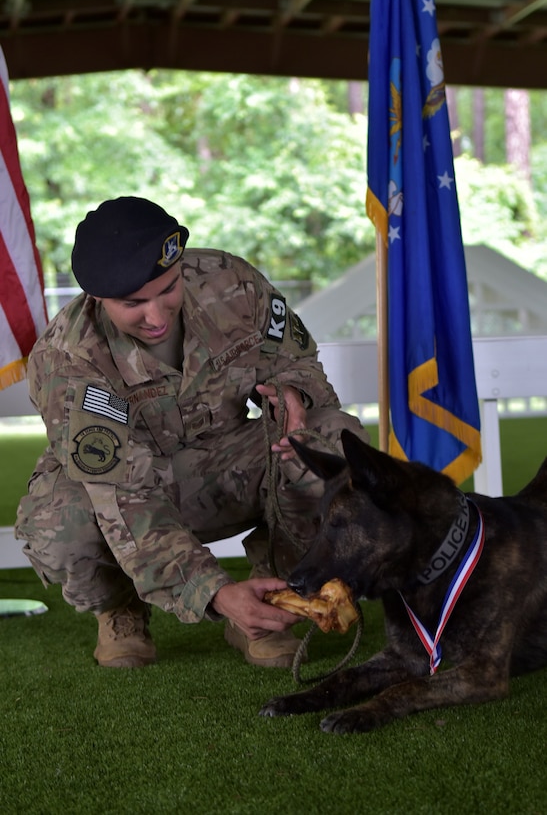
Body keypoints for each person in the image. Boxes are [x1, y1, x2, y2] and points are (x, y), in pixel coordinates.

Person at [15, 197, 369, 669]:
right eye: (133, 304)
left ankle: (276, 596)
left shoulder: (233, 284)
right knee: (57, 521)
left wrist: (293, 397)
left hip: (222, 467)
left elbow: (296, 362)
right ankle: (120, 610)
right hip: (125, 497)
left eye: (168, 288)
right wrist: (216, 593)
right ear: (96, 299)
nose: (157, 316)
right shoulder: (67, 361)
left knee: (329, 441)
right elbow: (123, 494)